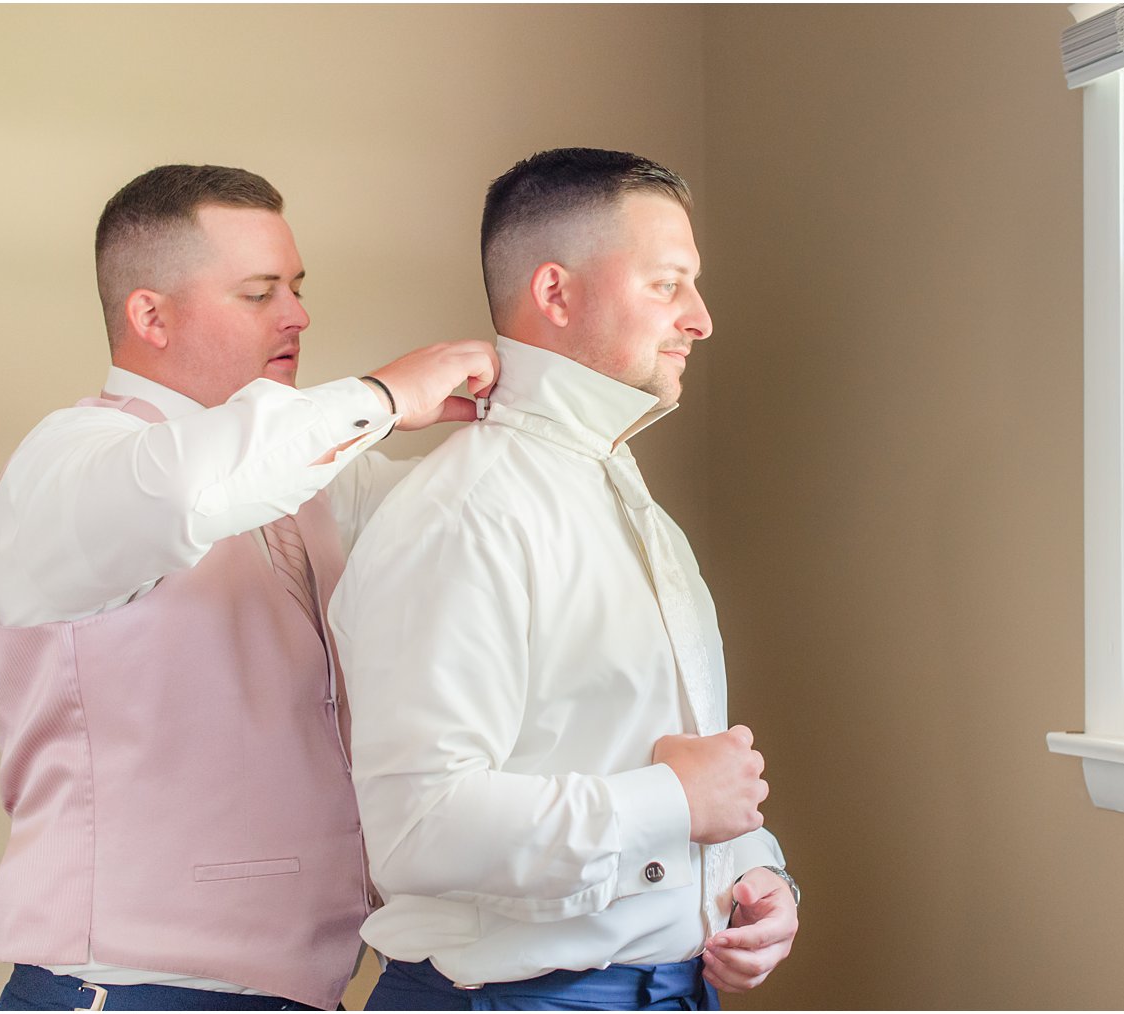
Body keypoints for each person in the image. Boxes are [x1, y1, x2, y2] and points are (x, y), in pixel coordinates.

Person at [0, 163, 498, 1011]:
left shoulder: (320, 480)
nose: (297, 315)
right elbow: (188, 489)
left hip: (306, 992)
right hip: (130, 991)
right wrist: (382, 395)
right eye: (259, 294)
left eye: (296, 288)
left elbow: (461, 536)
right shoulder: (68, 464)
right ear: (150, 315)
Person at [330, 147, 799, 1011]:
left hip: (671, 988)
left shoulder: (634, 511)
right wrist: (672, 800)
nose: (700, 318)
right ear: (556, 293)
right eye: (667, 284)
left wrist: (752, 873)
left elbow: (638, 755)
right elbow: (418, 828)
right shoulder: (466, 514)